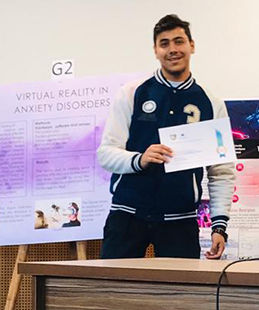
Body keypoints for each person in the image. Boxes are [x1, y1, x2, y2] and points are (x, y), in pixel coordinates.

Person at [97, 14, 235, 259]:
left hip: (180, 222)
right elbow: (106, 154)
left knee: (180, 286)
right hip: (127, 215)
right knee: (113, 284)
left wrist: (219, 225)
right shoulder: (131, 93)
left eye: (179, 41)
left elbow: (221, 172)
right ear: (155, 50)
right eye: (164, 43)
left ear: (192, 46)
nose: (172, 49)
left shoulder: (211, 103)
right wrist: (139, 159)